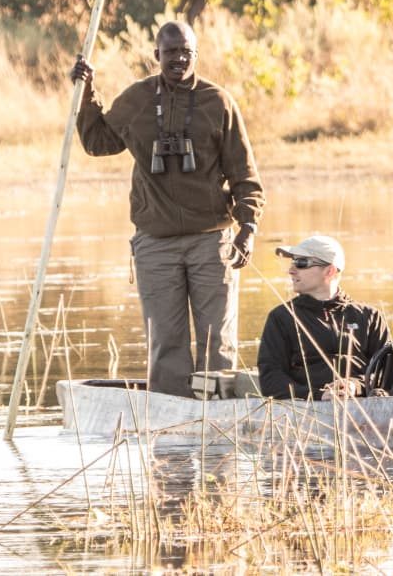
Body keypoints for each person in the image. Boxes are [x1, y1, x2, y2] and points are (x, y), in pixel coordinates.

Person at [71, 21, 264, 397]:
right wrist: (86, 91)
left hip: (213, 241)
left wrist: (248, 227)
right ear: (156, 55)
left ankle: (218, 420)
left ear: (196, 54)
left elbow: (244, 173)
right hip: (155, 243)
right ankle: (171, 427)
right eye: (170, 52)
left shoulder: (218, 102)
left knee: (217, 342)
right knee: (166, 343)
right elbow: (97, 142)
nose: (178, 59)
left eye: (186, 52)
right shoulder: (137, 99)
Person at [256, 235, 392, 400]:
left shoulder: (370, 317)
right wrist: (319, 395)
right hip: (309, 410)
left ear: (330, 271)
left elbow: (389, 373)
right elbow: (270, 380)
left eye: (301, 263)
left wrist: (355, 386)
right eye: (292, 263)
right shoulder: (281, 317)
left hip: (367, 407)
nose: (291, 270)